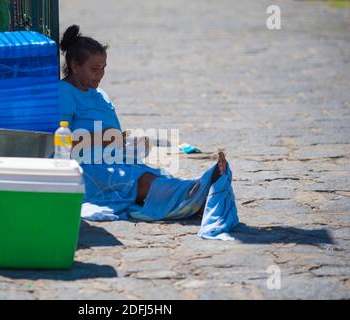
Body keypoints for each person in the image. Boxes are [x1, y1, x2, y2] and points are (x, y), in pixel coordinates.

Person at [58, 25, 238, 238]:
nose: (101, 74)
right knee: (140, 180)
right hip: (85, 166)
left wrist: (125, 143)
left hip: (113, 158)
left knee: (152, 175)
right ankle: (197, 192)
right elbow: (60, 144)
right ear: (75, 66)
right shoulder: (64, 93)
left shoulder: (100, 95)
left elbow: (111, 135)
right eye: (94, 69)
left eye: (104, 68)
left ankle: (196, 194)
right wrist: (103, 140)